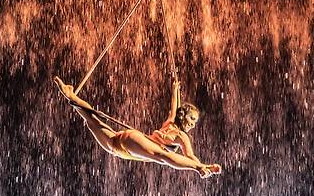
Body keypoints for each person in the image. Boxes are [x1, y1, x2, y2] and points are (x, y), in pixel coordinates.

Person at [54, 76, 221, 178]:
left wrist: (175, 89)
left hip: (121, 144)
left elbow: (174, 107)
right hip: (136, 141)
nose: (192, 124)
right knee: (162, 157)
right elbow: (190, 155)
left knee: (93, 122)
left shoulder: (169, 122)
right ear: (184, 115)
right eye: (192, 119)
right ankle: (71, 96)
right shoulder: (181, 136)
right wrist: (201, 166)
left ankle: (70, 95)